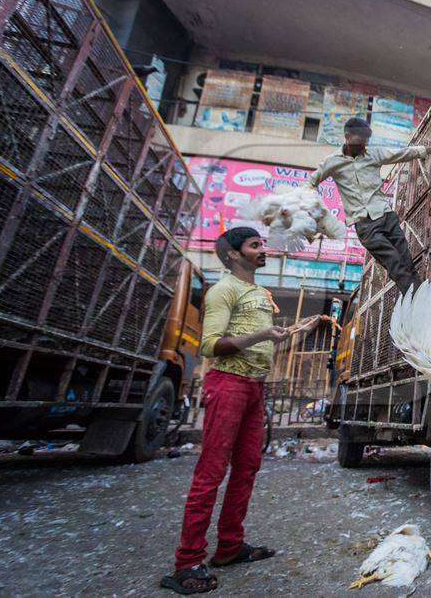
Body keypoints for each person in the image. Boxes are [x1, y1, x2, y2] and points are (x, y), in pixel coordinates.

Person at [161, 227, 289, 595]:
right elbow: (211, 345)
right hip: (228, 384)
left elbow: (254, 336)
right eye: (254, 245)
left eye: (261, 243)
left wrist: (279, 333)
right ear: (233, 255)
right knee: (211, 471)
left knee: (247, 466)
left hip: (253, 386)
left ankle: (230, 547)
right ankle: (186, 562)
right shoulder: (223, 290)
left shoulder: (257, 293)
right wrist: (263, 337)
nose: (262, 249)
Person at [308, 117, 431, 294]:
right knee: (394, 262)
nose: (363, 146)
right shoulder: (332, 162)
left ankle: (422, 297)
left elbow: (405, 153)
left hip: (386, 216)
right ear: (347, 136)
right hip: (365, 225)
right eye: (360, 142)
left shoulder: (373, 154)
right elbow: (310, 183)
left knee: (406, 261)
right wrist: (313, 209)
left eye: (366, 142)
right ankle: (420, 298)